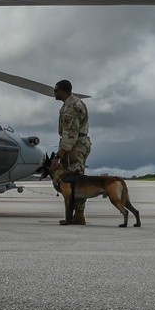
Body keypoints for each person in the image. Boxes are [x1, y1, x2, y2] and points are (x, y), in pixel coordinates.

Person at [51, 79, 92, 225]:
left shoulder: (71, 107)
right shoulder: (74, 102)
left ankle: (78, 215)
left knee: (76, 180)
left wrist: (58, 156)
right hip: (77, 144)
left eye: (55, 90)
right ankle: (77, 215)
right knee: (74, 180)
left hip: (76, 146)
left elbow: (70, 135)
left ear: (62, 91)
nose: (54, 93)